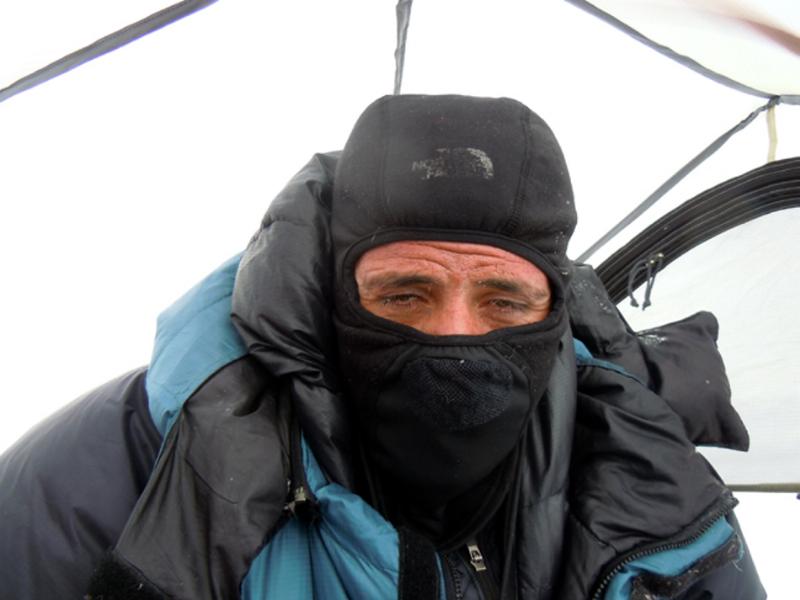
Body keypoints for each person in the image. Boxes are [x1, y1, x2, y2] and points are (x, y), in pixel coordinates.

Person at [0, 94, 764, 599]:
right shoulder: (119, 468)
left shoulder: (653, 485)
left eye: (504, 300)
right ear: (331, 295)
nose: (456, 336)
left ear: (556, 310)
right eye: (404, 295)